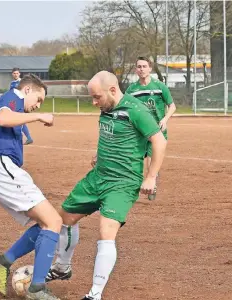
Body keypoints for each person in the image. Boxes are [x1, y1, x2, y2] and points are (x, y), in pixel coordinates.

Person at [45, 71, 167, 300]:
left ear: (112, 90)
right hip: (97, 177)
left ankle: (95, 294)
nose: (93, 102)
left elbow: (159, 140)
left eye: (96, 97)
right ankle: (62, 268)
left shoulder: (136, 110)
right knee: (64, 219)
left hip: (122, 183)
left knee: (106, 231)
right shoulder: (107, 108)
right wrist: (100, 155)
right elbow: (113, 137)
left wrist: (151, 176)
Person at [0, 74, 62, 300]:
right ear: (27, 90)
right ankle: (36, 289)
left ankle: (3, 261)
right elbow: (4, 119)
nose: (37, 105)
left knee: (49, 222)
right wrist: (38, 116)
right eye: (38, 99)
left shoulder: (3, 108)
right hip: (2, 167)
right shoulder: (12, 97)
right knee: (53, 221)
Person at [125, 56, 176, 200]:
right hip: (139, 131)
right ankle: (145, 181)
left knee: (149, 161)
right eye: (139, 66)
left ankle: (152, 182)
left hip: (157, 131)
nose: (141, 69)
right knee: (138, 161)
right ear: (136, 70)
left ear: (150, 68)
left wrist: (165, 119)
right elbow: (127, 107)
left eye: (144, 66)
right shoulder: (132, 90)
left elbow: (172, 106)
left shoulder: (160, 86)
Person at [10, 67, 34, 145]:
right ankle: (27, 137)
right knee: (17, 120)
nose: (16, 74)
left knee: (19, 120)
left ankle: (26, 137)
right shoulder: (12, 83)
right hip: (14, 104)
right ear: (12, 74)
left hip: (20, 103)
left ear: (19, 74)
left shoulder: (22, 82)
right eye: (14, 73)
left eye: (17, 73)